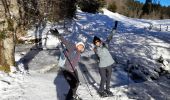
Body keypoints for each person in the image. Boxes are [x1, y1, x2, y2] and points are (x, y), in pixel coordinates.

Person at [51, 29, 85, 100]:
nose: (81, 47)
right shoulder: (72, 46)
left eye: (82, 47)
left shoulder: (79, 53)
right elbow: (65, 41)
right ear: (77, 45)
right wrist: (59, 35)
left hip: (73, 69)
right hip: (66, 69)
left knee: (77, 83)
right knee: (73, 85)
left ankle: (73, 95)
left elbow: (75, 61)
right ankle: (69, 98)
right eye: (80, 46)